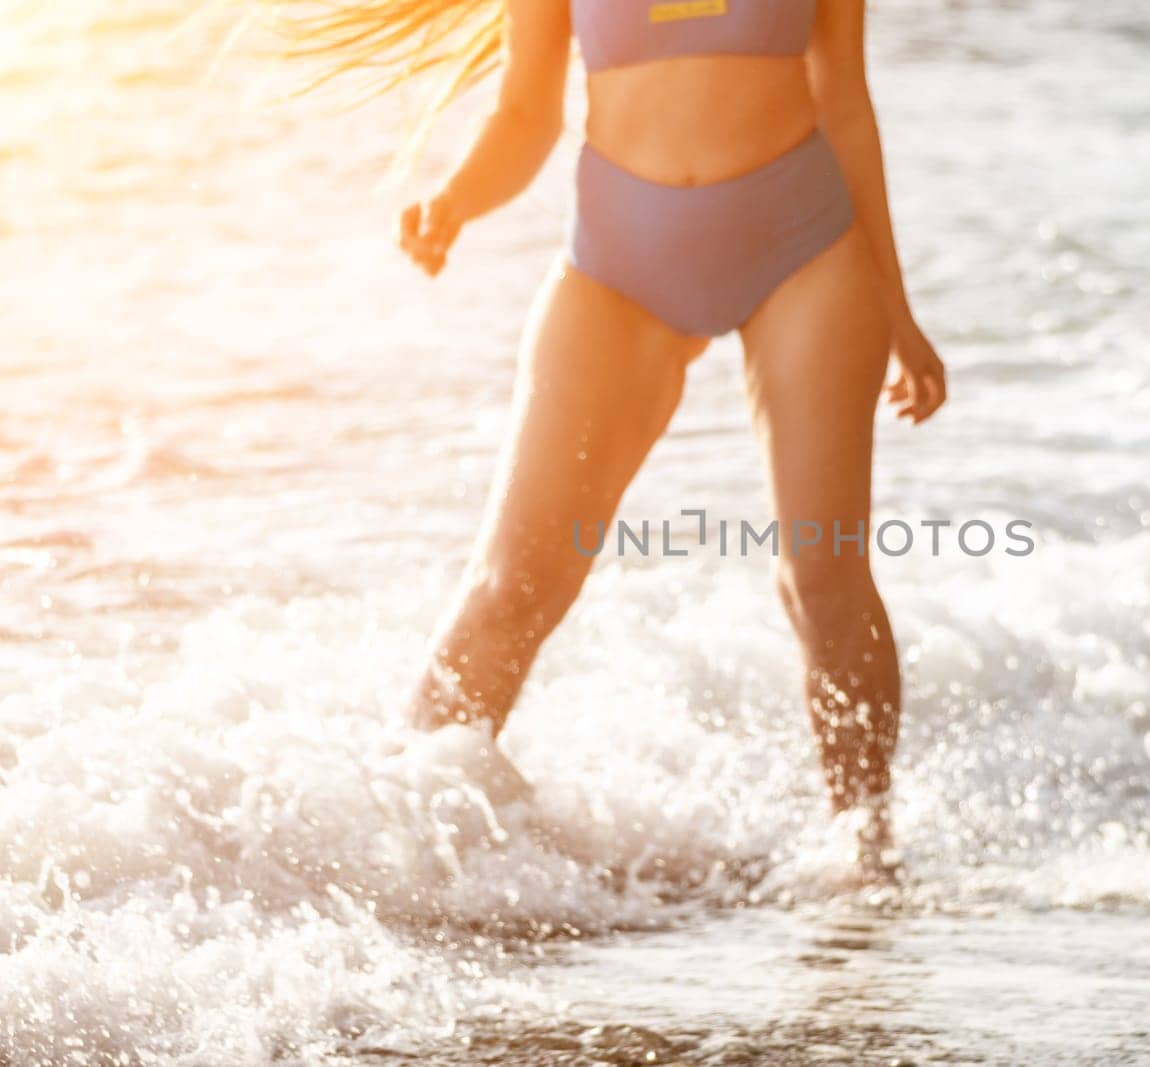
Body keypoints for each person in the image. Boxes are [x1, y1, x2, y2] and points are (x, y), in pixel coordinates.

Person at [260, 0, 946, 876]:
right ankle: (398, 861)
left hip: (802, 244)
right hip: (619, 261)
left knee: (823, 574)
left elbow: (844, 100)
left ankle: (866, 856)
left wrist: (899, 313)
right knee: (512, 584)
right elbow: (526, 113)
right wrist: (455, 200)